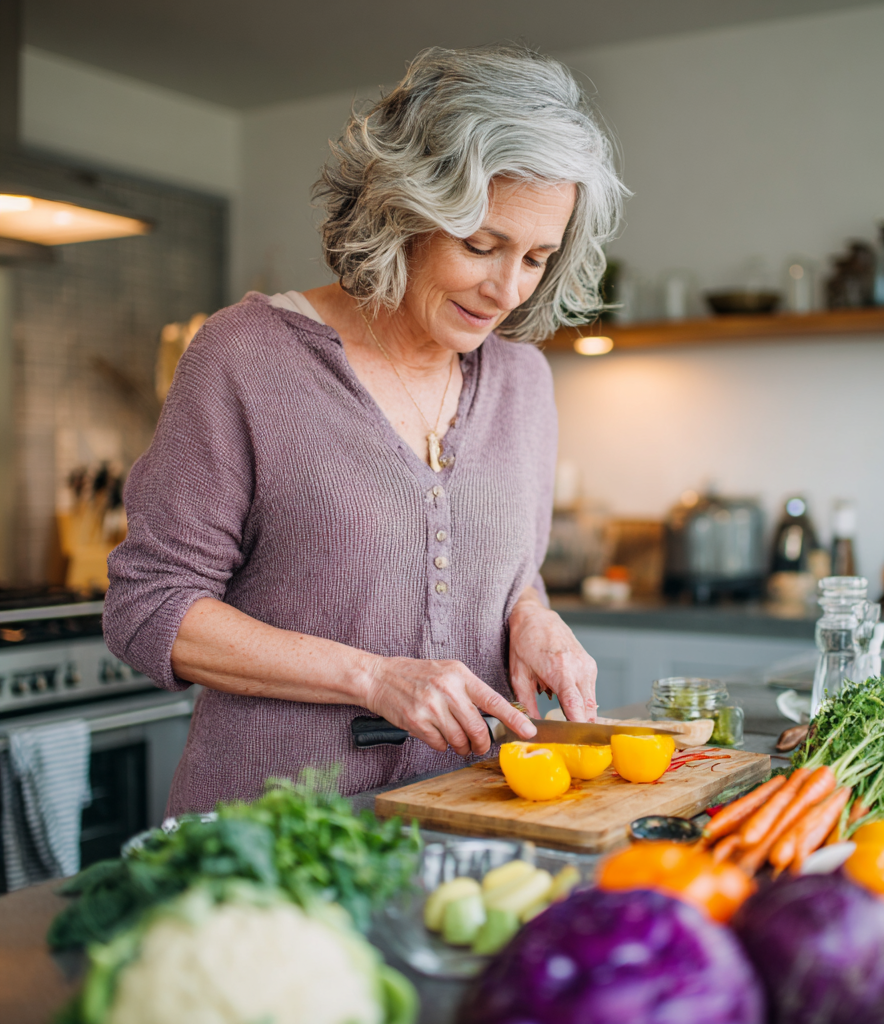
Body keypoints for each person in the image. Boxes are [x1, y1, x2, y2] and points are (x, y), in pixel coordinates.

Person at [103, 44, 628, 814]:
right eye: (480, 246)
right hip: (274, 838)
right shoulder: (246, 357)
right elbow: (151, 606)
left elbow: (504, 568)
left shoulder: (523, 381)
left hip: (468, 827)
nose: (506, 289)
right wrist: (374, 677)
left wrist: (532, 615)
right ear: (403, 210)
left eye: (537, 259)